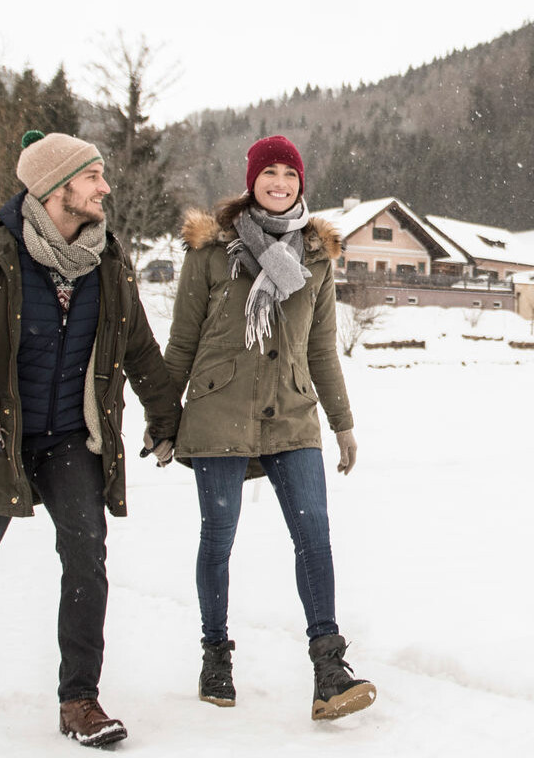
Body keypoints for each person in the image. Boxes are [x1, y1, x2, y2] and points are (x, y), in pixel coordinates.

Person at [0, 130, 180, 748]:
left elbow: (140, 349)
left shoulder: (109, 262)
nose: (105, 188)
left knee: (87, 556)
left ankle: (80, 700)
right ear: (56, 187)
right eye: (93, 177)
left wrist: (166, 415)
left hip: (71, 436)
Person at [159, 134, 375, 721]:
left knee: (315, 537)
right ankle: (215, 653)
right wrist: (163, 420)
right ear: (251, 180)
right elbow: (181, 343)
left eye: (289, 173)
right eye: (269, 172)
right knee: (219, 537)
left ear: (301, 183)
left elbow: (322, 351)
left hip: (293, 414)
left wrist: (344, 425)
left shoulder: (316, 257)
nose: (279, 182)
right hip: (216, 414)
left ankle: (329, 667)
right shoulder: (211, 252)